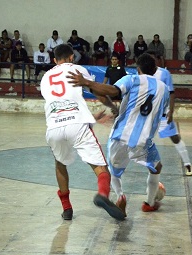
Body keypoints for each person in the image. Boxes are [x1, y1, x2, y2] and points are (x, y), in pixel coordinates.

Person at [67, 53, 170, 216]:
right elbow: (160, 114)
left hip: (119, 136)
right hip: (142, 141)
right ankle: (150, 203)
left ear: (137, 69)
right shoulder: (163, 89)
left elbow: (112, 91)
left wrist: (87, 82)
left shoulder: (132, 79)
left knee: (113, 173)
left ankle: (120, 196)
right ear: (156, 69)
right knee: (156, 168)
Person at [40, 44, 125, 221]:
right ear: (72, 57)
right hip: (77, 125)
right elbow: (98, 93)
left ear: (54, 60)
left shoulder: (46, 77)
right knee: (101, 168)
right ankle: (102, 195)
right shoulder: (77, 69)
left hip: (54, 126)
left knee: (59, 163)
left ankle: (67, 208)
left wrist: (89, 116)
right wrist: (112, 107)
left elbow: (60, 101)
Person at [146, 50, 192, 176]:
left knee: (175, 137)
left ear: (157, 60)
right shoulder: (142, 74)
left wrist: (171, 111)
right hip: (147, 114)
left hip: (162, 113)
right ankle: (150, 165)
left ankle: (187, 163)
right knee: (142, 140)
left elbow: (172, 93)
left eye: (152, 59)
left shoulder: (164, 73)